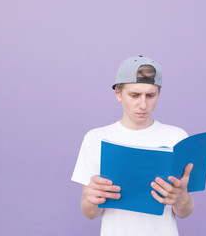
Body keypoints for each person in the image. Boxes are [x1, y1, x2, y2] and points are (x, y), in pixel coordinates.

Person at [71, 55, 194, 236]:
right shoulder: (96, 138)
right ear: (118, 94)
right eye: (134, 95)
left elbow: (185, 212)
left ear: (158, 94)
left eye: (150, 95)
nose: (143, 104)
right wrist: (93, 199)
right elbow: (89, 212)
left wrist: (181, 199)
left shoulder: (177, 137)